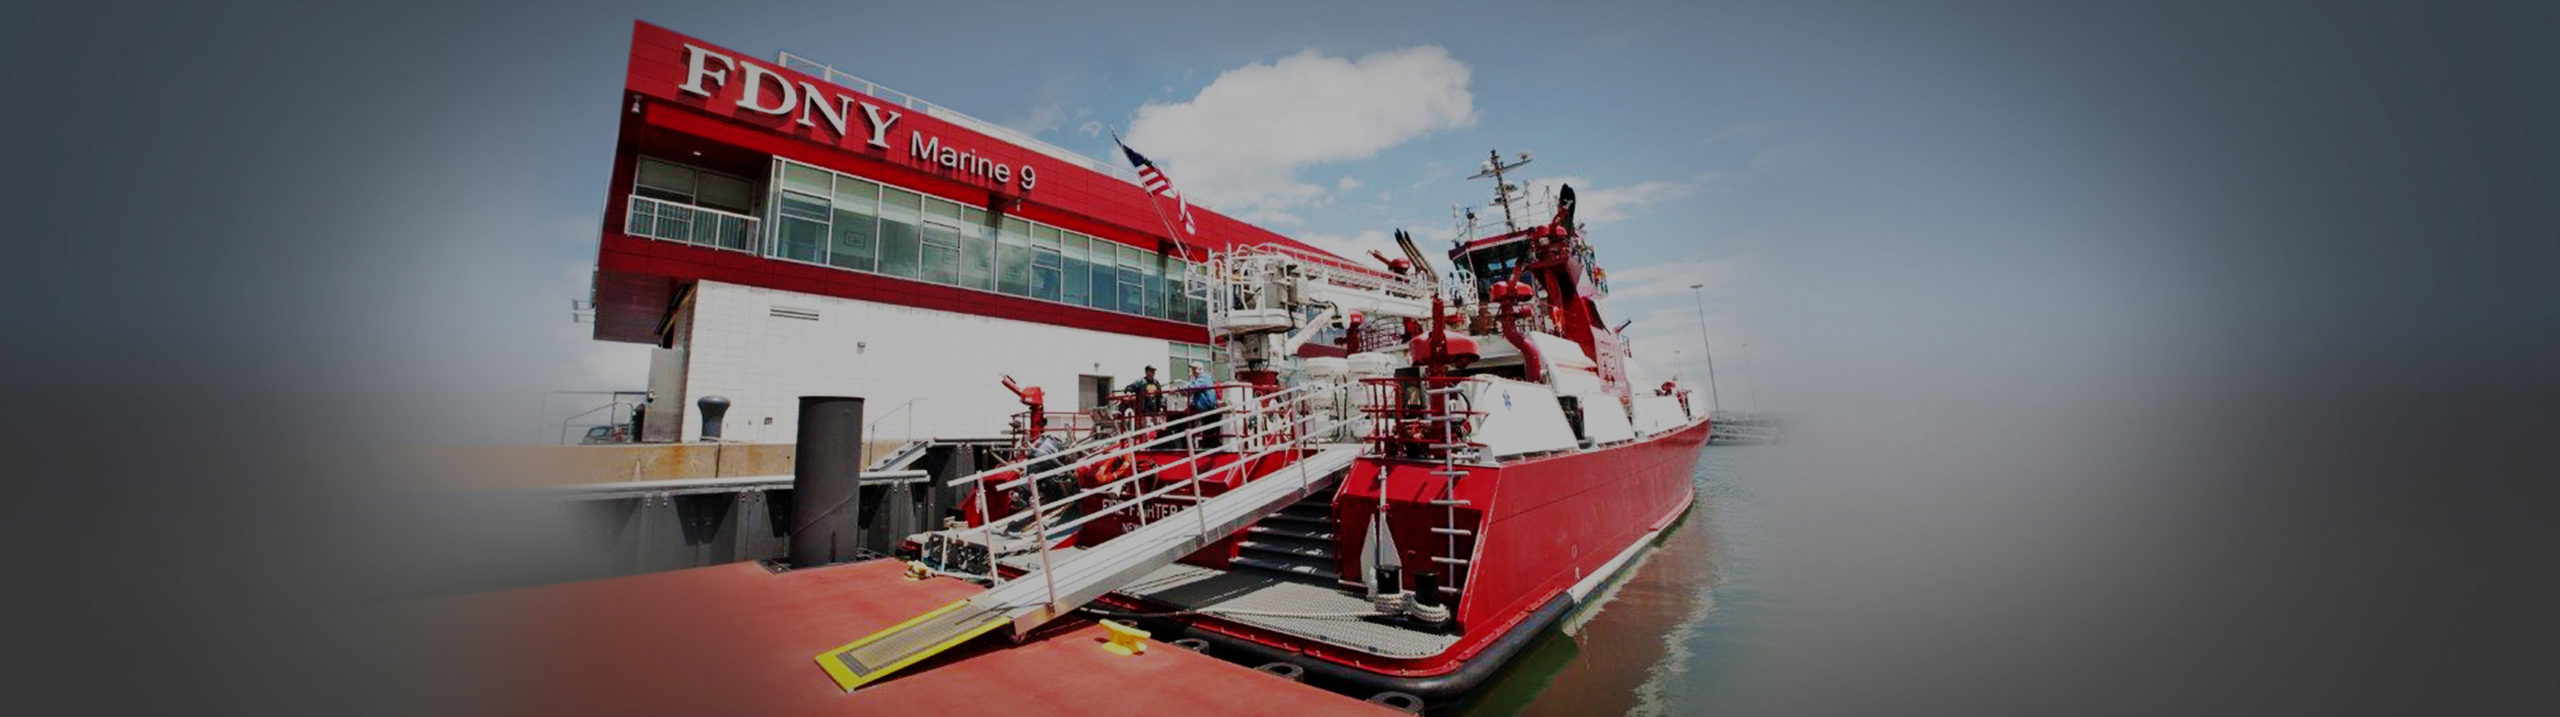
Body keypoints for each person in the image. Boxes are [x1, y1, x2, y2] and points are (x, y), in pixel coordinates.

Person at [1182, 361, 1221, 448]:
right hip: (1206, 410)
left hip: (1209, 409)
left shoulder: (1204, 378)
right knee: (1208, 431)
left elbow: (1195, 387)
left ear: (1200, 369)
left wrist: (1180, 388)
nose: (1193, 371)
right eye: (1192, 369)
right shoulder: (1200, 379)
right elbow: (1191, 387)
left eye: (1194, 369)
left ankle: (1210, 448)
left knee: (1210, 433)